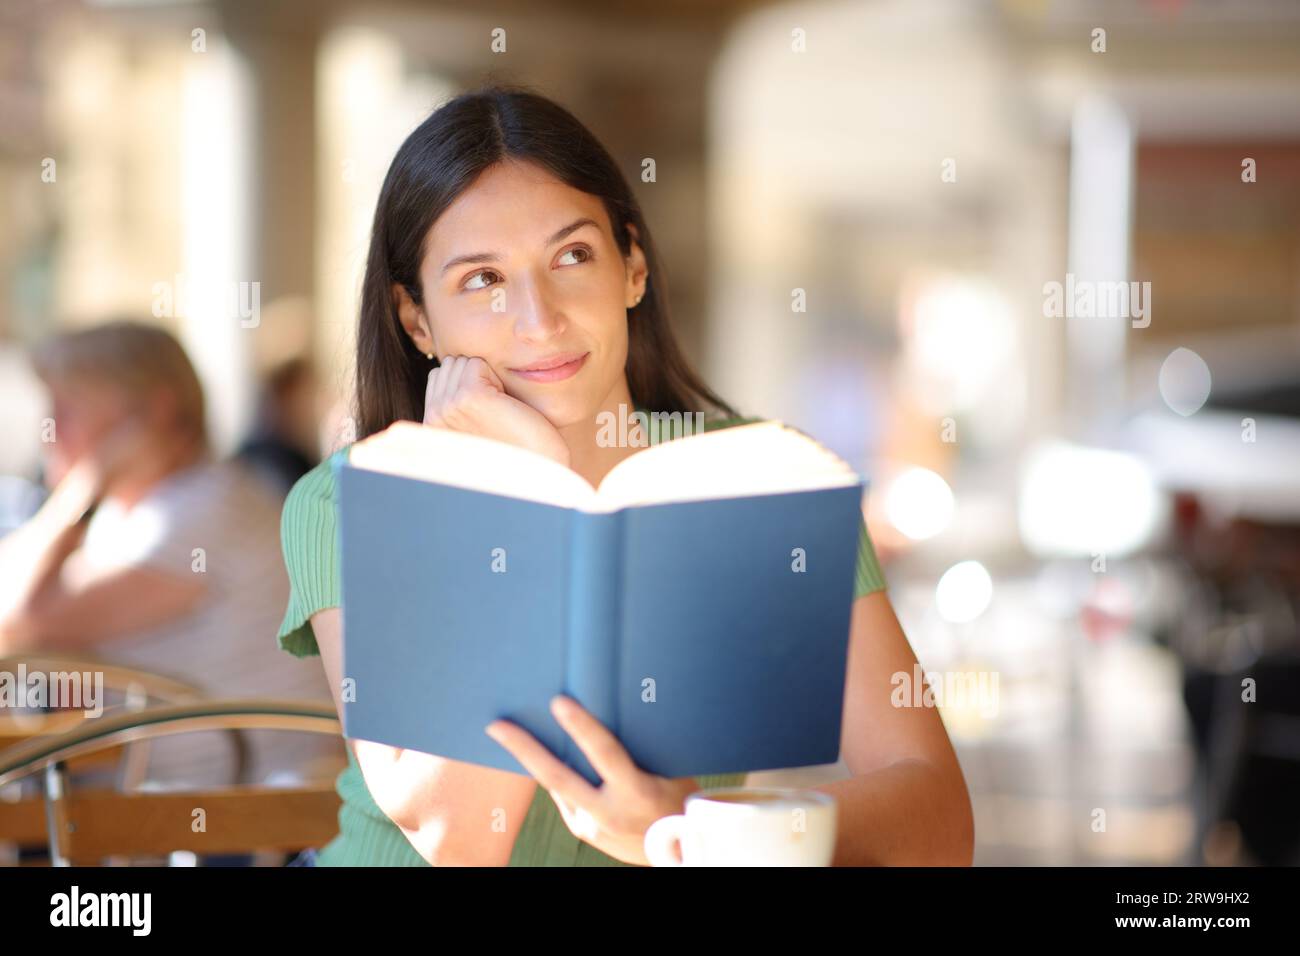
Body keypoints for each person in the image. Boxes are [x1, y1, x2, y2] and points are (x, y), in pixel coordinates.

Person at [277, 85, 973, 866]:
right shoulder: (348, 501)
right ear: (416, 320)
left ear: (632, 267)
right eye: (482, 279)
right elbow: (459, 839)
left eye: (572, 255)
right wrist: (513, 493)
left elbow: (938, 818)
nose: (538, 318)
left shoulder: (763, 477)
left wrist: (697, 826)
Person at [0, 320, 342, 787]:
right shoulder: (150, 507)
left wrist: (81, 489)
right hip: (155, 813)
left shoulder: (204, 510)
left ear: (151, 412)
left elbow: (15, 625)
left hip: (225, 827)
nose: (48, 432)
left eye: (67, 409)